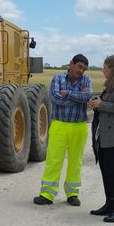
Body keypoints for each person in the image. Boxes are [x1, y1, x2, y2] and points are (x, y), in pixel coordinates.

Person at [34, 54, 93, 206]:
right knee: (54, 160)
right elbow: (54, 98)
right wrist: (78, 99)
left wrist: (68, 94)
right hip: (59, 125)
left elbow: (88, 96)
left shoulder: (86, 80)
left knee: (76, 161)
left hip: (79, 126)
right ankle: (47, 194)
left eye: (84, 69)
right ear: (71, 64)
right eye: (79, 67)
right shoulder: (57, 78)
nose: (82, 71)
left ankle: (72, 194)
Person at [88, 55, 114, 222]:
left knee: (111, 171)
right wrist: (97, 101)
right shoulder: (110, 84)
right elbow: (107, 102)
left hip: (113, 134)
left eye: (104, 67)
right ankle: (109, 204)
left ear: (112, 67)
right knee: (105, 170)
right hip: (103, 133)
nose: (102, 70)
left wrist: (101, 105)